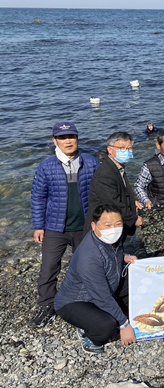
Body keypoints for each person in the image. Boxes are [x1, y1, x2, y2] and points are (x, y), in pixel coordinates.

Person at [29, 122, 100, 328]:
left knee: (87, 267)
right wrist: (38, 226)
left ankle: (85, 302)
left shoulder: (91, 162)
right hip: (54, 228)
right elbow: (38, 197)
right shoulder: (46, 166)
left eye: (72, 136)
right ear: (54, 141)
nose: (68, 141)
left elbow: (103, 190)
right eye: (62, 137)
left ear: (77, 139)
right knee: (49, 268)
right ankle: (46, 305)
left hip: (85, 227)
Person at [55, 205, 137, 354]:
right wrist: (125, 326)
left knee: (135, 284)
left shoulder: (111, 238)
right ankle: (86, 333)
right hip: (75, 301)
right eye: (107, 225)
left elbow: (110, 253)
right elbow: (102, 298)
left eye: (118, 224)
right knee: (107, 326)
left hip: (104, 288)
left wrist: (122, 257)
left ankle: (107, 316)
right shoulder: (88, 257)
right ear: (93, 226)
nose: (114, 229)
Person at [84, 132, 142, 239]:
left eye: (129, 148)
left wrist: (131, 203)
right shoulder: (105, 173)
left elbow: (118, 192)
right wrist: (134, 219)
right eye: (122, 148)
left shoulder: (117, 167)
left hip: (113, 226)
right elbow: (112, 203)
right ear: (110, 150)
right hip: (103, 230)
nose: (127, 151)